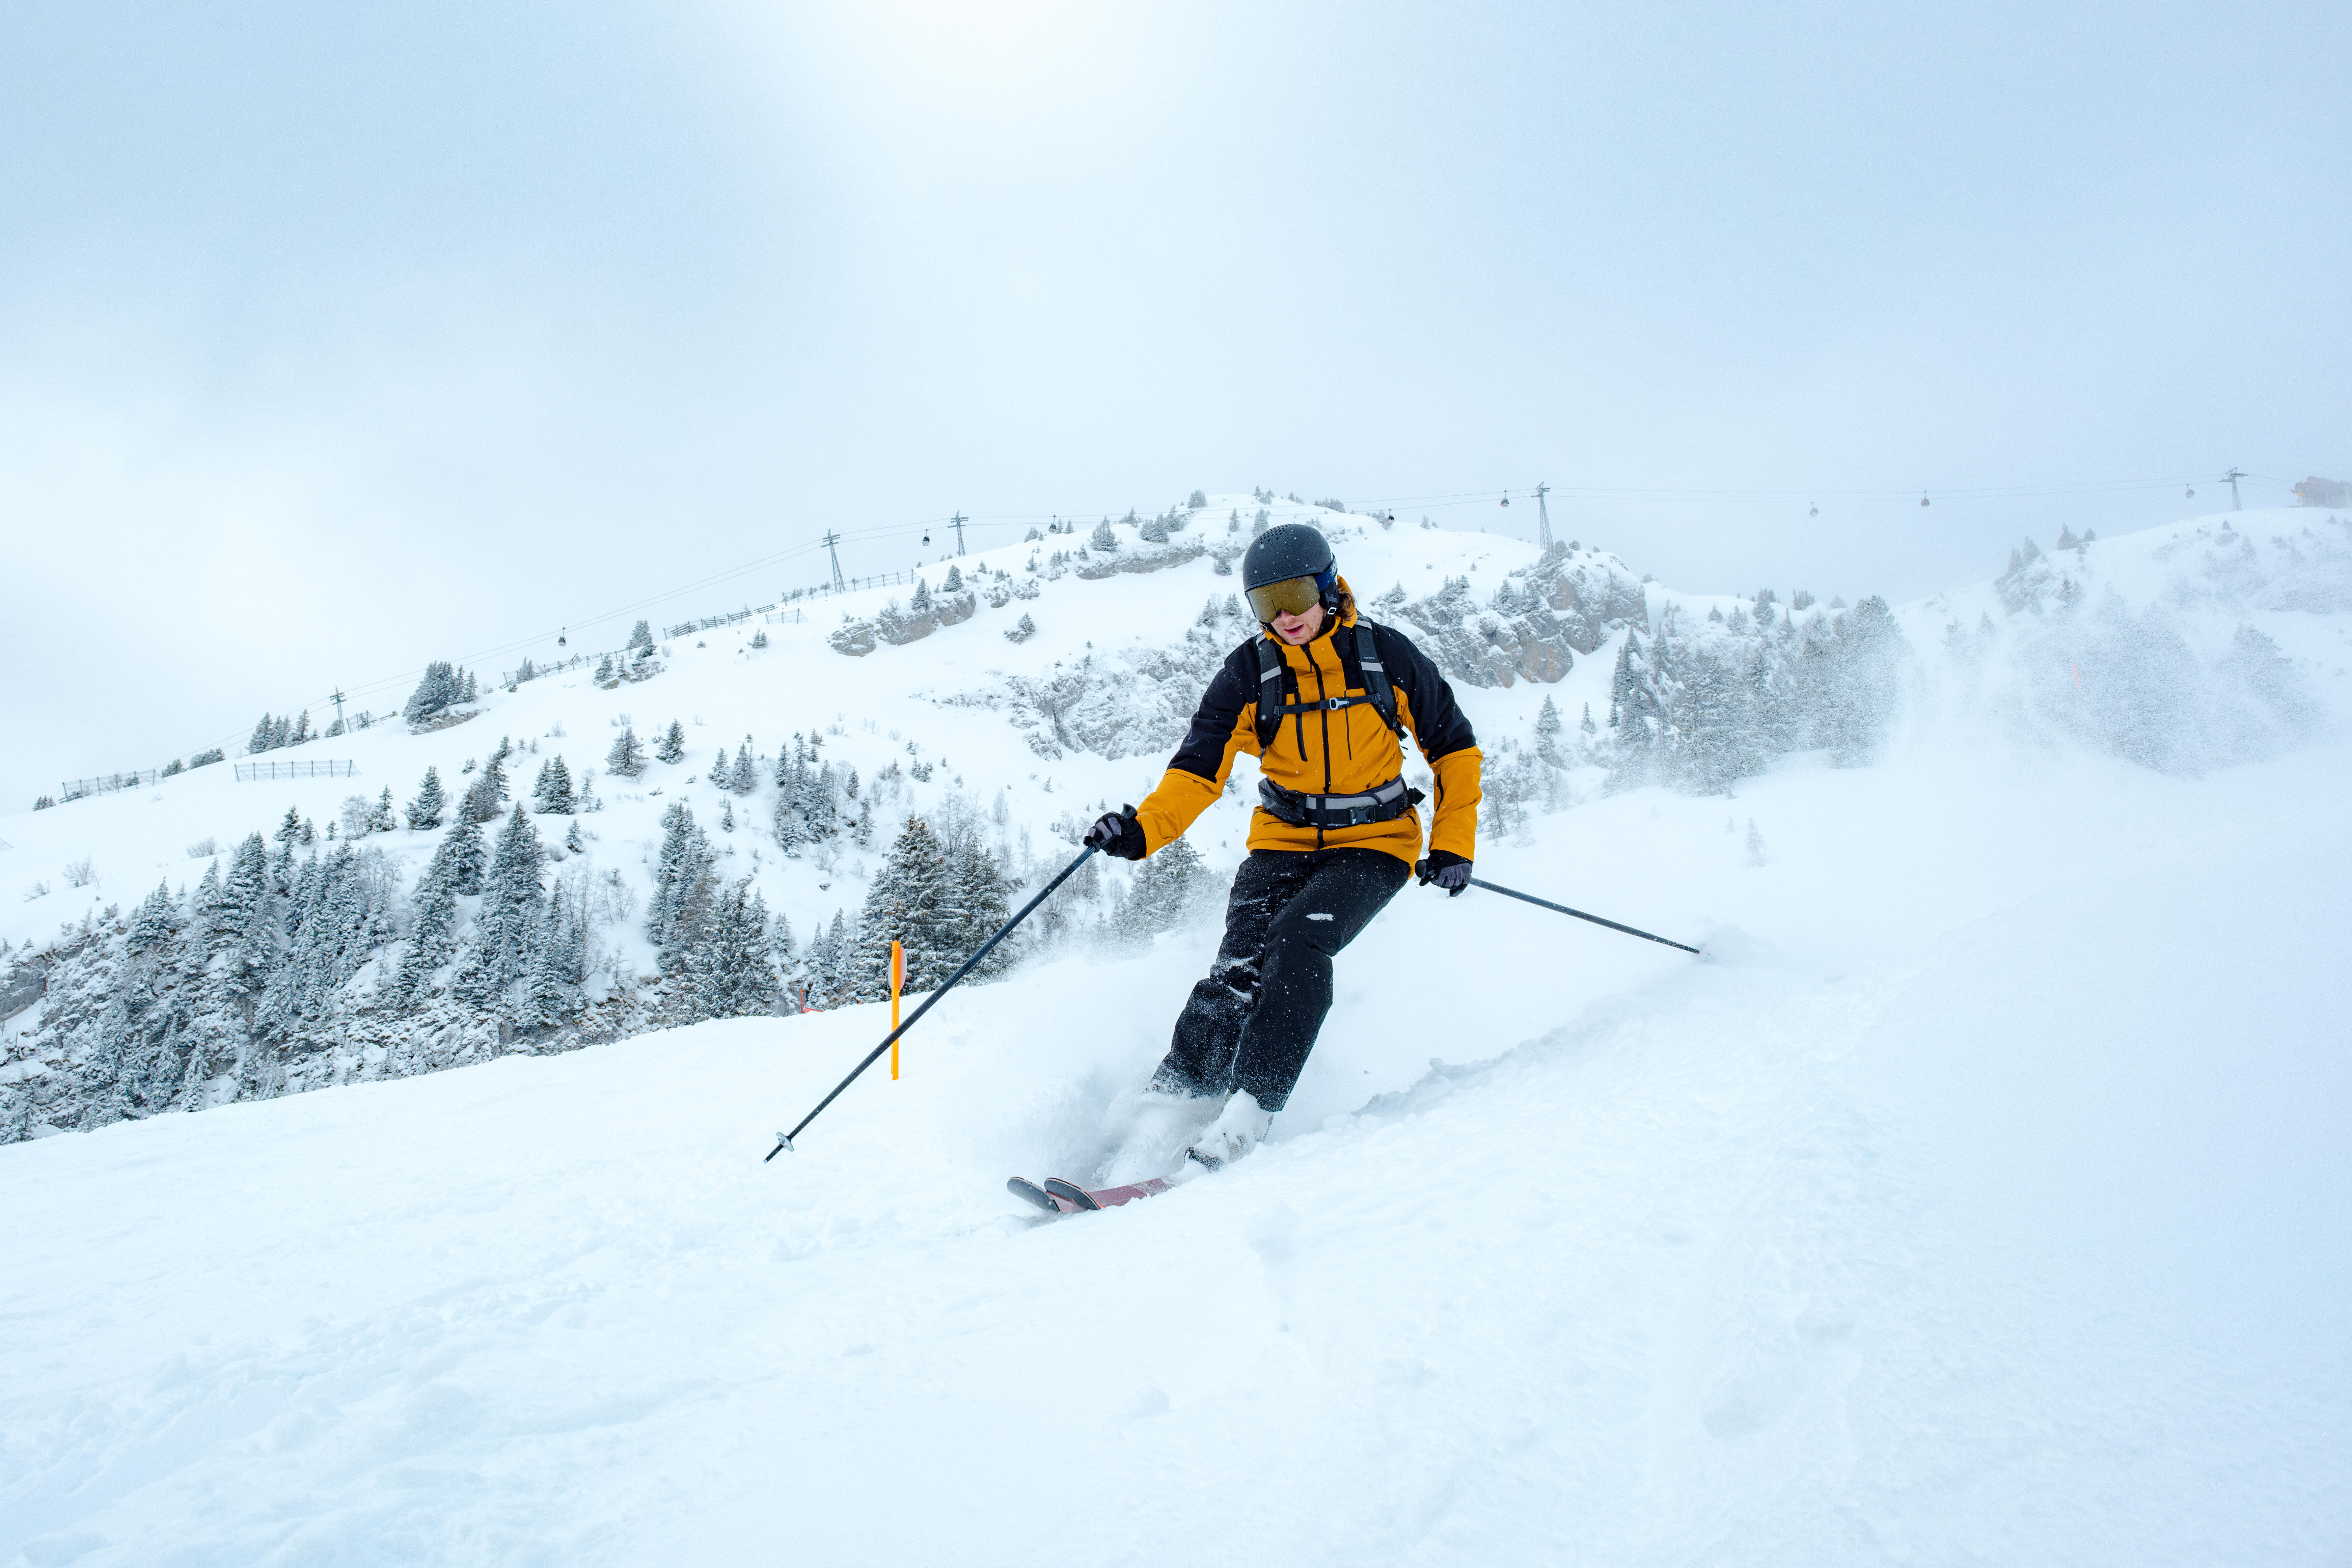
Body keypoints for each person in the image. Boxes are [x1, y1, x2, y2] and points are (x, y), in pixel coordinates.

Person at [1085, 523, 1482, 1172]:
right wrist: (1142, 831)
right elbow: (1197, 769)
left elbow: (1454, 750)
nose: (1286, 616)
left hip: (1375, 842)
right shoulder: (1252, 671)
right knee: (1237, 968)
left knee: (1296, 943)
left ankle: (1248, 1112)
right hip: (1283, 838)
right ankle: (1167, 1104)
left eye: (1296, 595)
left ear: (1328, 586)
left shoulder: (1383, 657)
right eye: (1267, 603)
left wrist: (1452, 845)